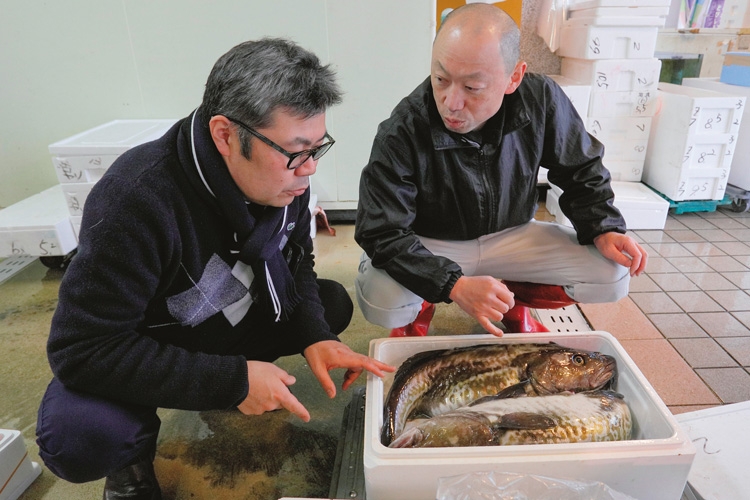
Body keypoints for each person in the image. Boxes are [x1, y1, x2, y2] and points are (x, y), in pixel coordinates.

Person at [36, 38, 394, 499]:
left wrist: (313, 335)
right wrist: (232, 382)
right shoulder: (136, 200)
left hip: (229, 320)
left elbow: (296, 261)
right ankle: (130, 465)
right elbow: (82, 349)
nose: (307, 171)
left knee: (327, 306)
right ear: (224, 134)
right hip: (153, 339)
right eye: (294, 152)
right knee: (82, 436)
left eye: (316, 148)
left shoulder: (285, 179)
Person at [354, 4, 648, 338]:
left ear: (514, 77)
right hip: (432, 242)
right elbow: (381, 231)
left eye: (472, 88)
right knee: (384, 297)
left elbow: (581, 167)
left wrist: (603, 226)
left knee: (612, 273)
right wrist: (452, 284)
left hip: (512, 234)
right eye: (441, 79)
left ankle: (511, 303)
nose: (451, 102)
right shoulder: (403, 128)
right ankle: (420, 309)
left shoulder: (540, 99)